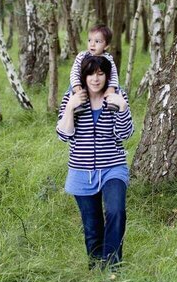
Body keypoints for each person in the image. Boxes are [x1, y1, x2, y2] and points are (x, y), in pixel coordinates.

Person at [57, 55, 134, 269]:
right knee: (92, 227)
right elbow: (64, 135)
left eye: (100, 74)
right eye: (91, 73)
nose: (95, 79)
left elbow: (125, 134)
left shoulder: (117, 96)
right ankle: (95, 268)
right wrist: (71, 107)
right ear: (83, 76)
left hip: (113, 168)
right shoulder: (71, 97)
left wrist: (123, 109)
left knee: (116, 211)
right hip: (81, 172)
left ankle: (113, 266)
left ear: (107, 76)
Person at [70, 24, 119, 112]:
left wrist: (112, 87)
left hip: (102, 85)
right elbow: (74, 72)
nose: (92, 44)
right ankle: (78, 106)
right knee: (72, 90)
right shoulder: (82, 56)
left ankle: (112, 104)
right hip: (82, 83)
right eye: (89, 40)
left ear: (106, 46)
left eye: (97, 41)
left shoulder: (108, 58)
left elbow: (114, 74)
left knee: (116, 89)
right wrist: (76, 85)